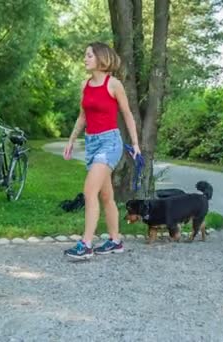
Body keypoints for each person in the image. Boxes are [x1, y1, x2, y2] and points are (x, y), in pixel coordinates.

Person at [63, 42, 141, 259]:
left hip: (110, 143)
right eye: (85, 55)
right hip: (92, 142)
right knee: (106, 196)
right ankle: (115, 241)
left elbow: (127, 115)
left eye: (89, 55)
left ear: (101, 58)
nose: (85, 59)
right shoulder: (85, 85)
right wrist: (71, 141)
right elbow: (82, 116)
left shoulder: (113, 84)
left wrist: (135, 144)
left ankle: (86, 244)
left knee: (89, 190)